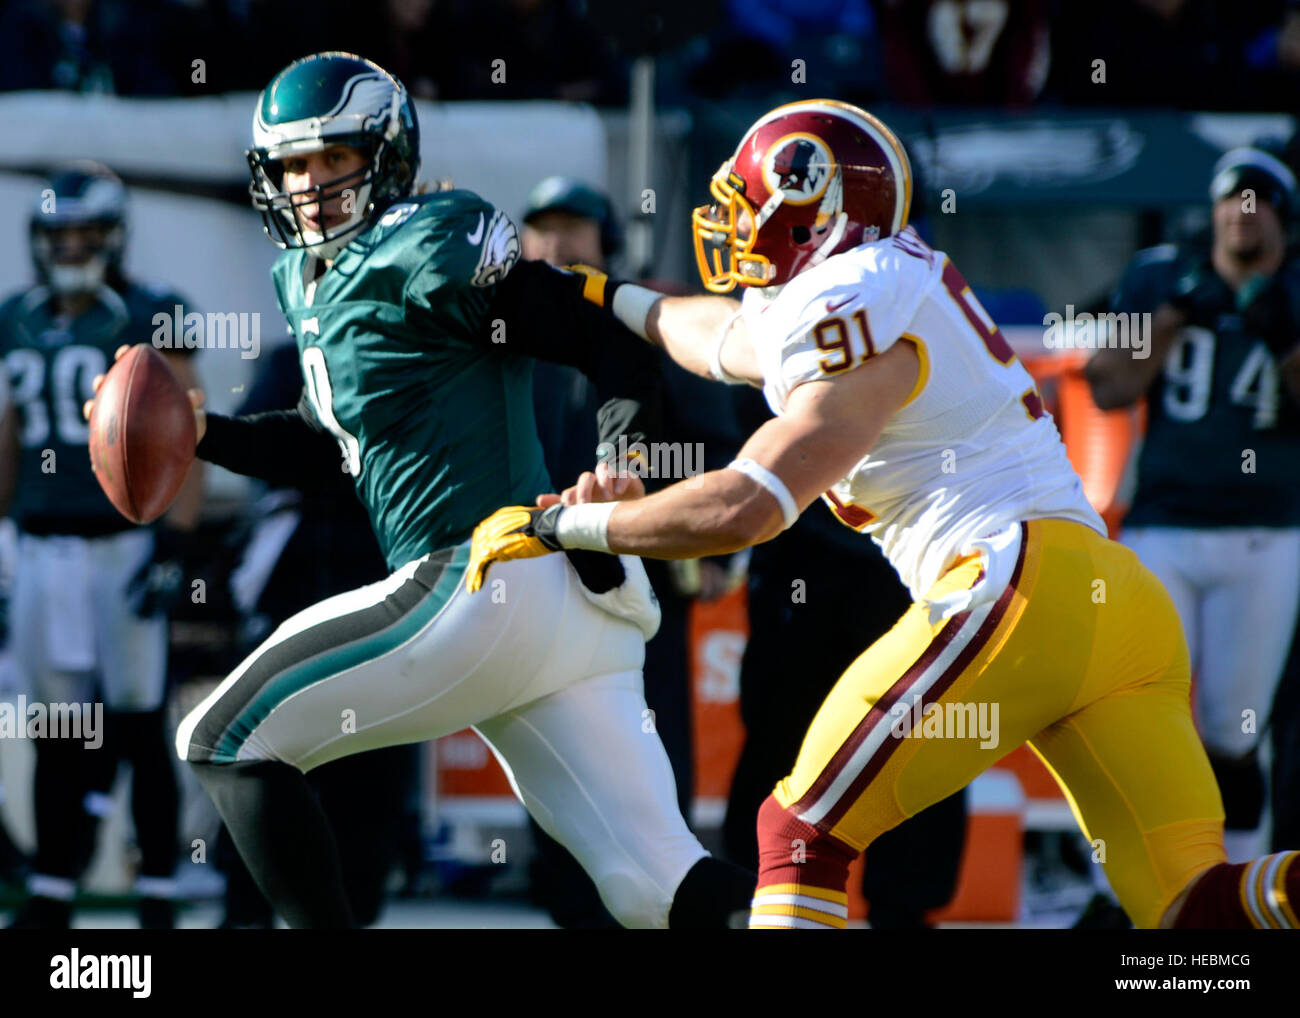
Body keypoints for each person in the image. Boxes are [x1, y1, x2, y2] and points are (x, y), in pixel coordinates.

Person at [468, 99, 1300, 929]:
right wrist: (610, 297)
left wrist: (566, 528)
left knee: (798, 832)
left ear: (813, 208)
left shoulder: (854, 306)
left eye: (751, 201)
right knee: (1201, 910)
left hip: (1016, 581)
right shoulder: (871, 284)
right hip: (1114, 601)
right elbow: (721, 334)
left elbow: (745, 506)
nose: (733, 222)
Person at [83, 52, 753, 929]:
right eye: (293, 165)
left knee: (219, 739)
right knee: (657, 892)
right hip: (557, 616)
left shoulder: (427, 241)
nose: (312, 184)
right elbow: (333, 454)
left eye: (333, 159)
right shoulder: (305, 278)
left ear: (388, 156)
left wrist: (619, 462)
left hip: (481, 576)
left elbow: (608, 340)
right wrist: (205, 434)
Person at [0, 161, 201, 929]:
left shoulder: (151, 310)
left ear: (115, 237)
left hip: (123, 545)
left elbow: (186, 427)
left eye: (87, 232)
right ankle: (53, 888)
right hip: (40, 546)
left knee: (137, 719)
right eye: (60, 232)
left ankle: (158, 890)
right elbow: (11, 435)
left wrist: (176, 548)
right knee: (59, 730)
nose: (73, 244)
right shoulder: (14, 316)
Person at [1088, 147, 1300, 863]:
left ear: (1285, 217)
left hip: (1263, 535)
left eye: (1260, 198)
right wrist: (1172, 316)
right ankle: (1120, 886)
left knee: (1233, 733)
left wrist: (1282, 334)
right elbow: (1107, 385)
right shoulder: (1159, 275)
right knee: (1134, 715)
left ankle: (1242, 887)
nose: (1243, 211)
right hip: (1163, 530)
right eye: (1230, 197)